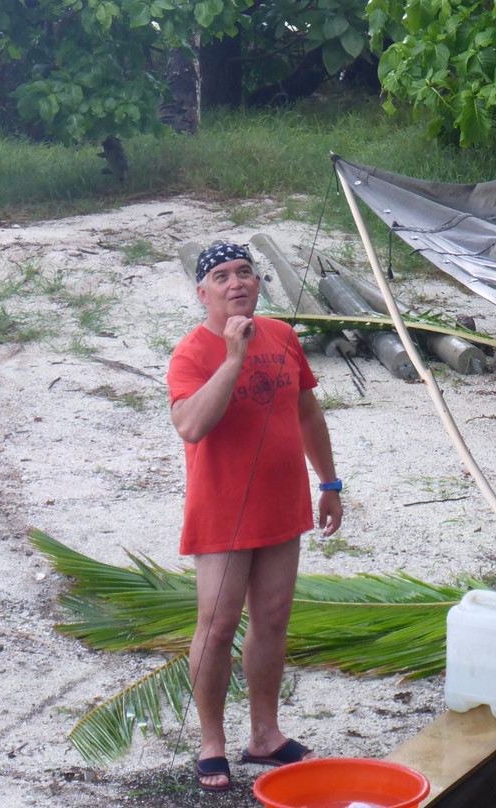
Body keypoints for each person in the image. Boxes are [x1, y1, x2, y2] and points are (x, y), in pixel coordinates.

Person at [167, 242, 344, 792]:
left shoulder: (285, 337)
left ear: (258, 281)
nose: (236, 282)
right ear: (203, 293)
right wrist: (234, 356)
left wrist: (330, 482)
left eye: (244, 271)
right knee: (217, 627)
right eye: (221, 276)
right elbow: (191, 426)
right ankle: (212, 743)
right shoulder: (191, 353)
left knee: (271, 621)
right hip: (221, 511)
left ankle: (265, 736)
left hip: (282, 503)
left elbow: (308, 411)